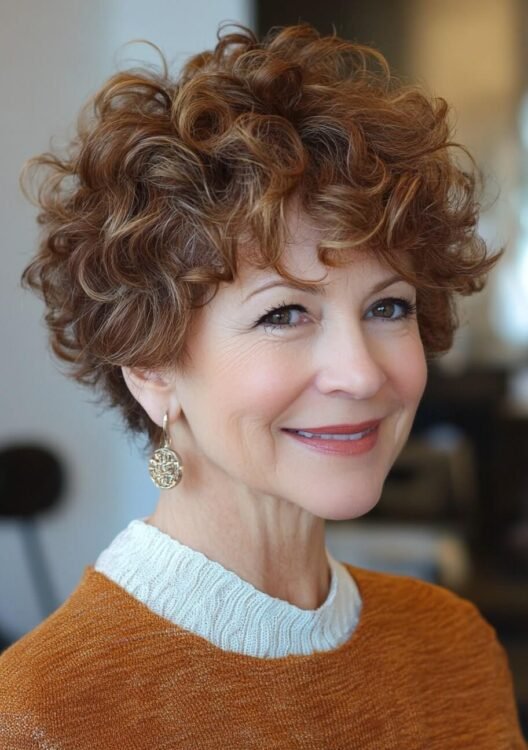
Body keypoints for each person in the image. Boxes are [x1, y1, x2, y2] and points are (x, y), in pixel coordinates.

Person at [0, 22, 525, 749]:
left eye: (388, 308)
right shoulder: (44, 714)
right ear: (149, 364)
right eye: (284, 314)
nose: (361, 372)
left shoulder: (452, 646)